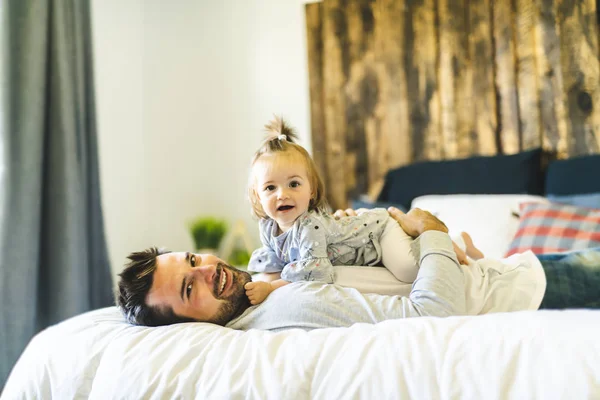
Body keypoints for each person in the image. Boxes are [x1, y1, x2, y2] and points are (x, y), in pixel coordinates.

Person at [116, 207, 600, 330]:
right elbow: (434, 316)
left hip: (508, 269)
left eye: (194, 260)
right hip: (526, 292)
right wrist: (431, 229)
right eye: (187, 288)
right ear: (183, 325)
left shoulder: (269, 280)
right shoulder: (290, 307)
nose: (206, 271)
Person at [243, 117, 483, 305]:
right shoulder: (268, 228)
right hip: (365, 246)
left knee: (409, 270)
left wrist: (271, 288)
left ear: (312, 190)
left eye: (294, 184)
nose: (282, 194)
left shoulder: (309, 226)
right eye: (270, 188)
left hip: (378, 232)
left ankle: (458, 242)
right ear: (258, 196)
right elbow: (273, 262)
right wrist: (259, 283)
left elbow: (315, 272)